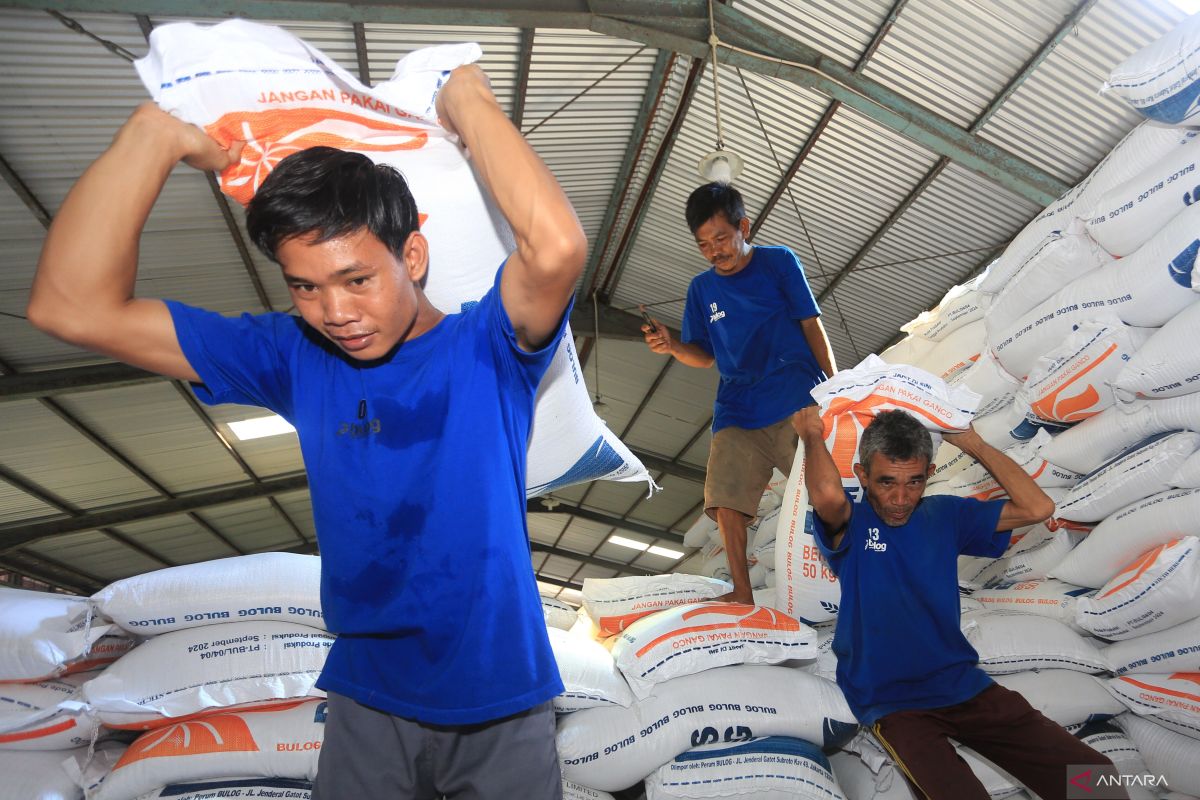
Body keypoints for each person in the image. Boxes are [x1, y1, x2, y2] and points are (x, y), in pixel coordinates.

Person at [28, 65, 586, 800]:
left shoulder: (486, 348)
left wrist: (468, 103)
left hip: (502, 698)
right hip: (367, 698)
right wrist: (152, 139)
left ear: (411, 257)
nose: (336, 311)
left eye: (358, 279)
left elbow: (557, 250)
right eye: (305, 286)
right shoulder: (293, 357)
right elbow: (70, 307)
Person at [797, 406, 1125, 800]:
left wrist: (972, 443)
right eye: (886, 482)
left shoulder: (945, 514)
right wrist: (812, 435)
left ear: (929, 475)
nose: (900, 498)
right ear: (862, 475)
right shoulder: (853, 524)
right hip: (892, 702)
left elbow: (1038, 509)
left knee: (1095, 778)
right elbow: (829, 496)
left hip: (963, 685)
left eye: (914, 482)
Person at [641, 182, 836, 603]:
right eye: (704, 245)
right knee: (726, 500)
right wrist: (672, 346)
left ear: (744, 227)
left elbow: (810, 324)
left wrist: (836, 387)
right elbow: (704, 356)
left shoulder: (779, 262)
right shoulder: (701, 290)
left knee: (826, 494)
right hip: (737, 407)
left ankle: (851, 568)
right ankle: (743, 595)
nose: (715, 251)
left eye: (722, 239)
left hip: (793, 397)